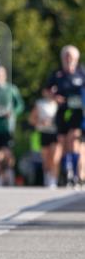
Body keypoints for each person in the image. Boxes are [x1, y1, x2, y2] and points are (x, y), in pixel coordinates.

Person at [43, 45, 85, 186]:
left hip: (77, 112)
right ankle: (68, 172)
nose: (68, 59)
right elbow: (46, 90)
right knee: (63, 142)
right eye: (66, 56)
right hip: (62, 112)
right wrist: (54, 97)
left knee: (74, 139)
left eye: (71, 56)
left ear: (76, 58)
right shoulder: (57, 74)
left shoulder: (81, 72)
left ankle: (75, 172)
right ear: (62, 58)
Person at [28, 95, 59, 187]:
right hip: (44, 132)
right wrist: (40, 122)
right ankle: (47, 177)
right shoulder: (40, 103)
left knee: (54, 157)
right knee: (46, 158)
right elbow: (31, 119)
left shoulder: (59, 103)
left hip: (56, 133)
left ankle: (54, 180)